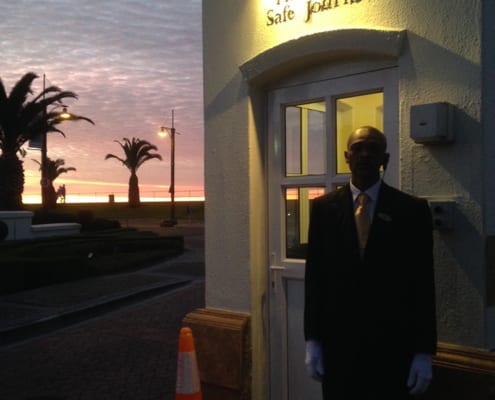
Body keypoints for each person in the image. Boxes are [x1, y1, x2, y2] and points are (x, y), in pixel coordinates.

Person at [304, 126, 437, 399]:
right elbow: (316, 278)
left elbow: (423, 283)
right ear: (346, 156)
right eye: (358, 148)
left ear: (384, 159)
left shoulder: (411, 210)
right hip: (338, 346)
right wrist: (312, 340)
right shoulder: (323, 209)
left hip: (393, 346)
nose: (365, 154)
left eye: (373, 148)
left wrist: (424, 352)